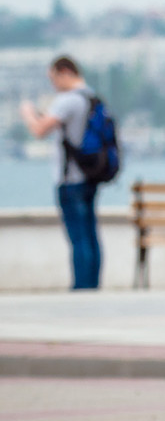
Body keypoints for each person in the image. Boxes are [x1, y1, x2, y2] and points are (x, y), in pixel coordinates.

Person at [19, 56, 102, 289]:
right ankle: (92, 285)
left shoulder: (67, 101)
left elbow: (39, 130)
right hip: (89, 177)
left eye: (53, 78)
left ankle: (82, 287)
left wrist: (27, 113)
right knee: (90, 235)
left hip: (70, 179)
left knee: (79, 238)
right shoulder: (91, 97)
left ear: (64, 72)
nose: (53, 84)